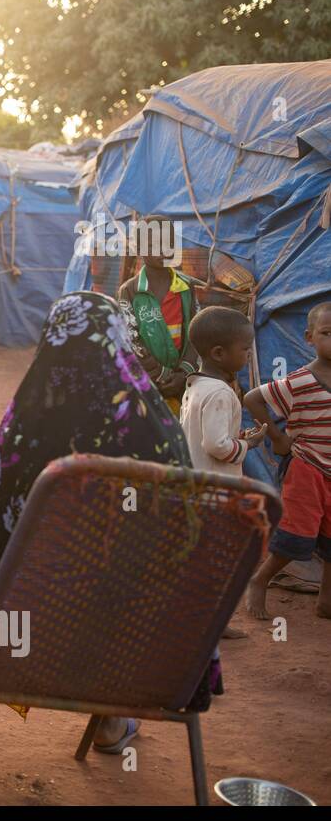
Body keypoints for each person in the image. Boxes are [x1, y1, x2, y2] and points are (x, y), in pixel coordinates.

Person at [0, 292, 201, 751]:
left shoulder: (30, 431)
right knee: (115, 577)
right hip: (135, 647)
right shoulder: (164, 434)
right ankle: (107, 722)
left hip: (20, 635)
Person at [180, 305, 268, 638]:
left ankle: (203, 620)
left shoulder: (195, 387)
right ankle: (212, 624)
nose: (248, 355)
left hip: (195, 484)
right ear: (219, 353)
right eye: (245, 349)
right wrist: (249, 446)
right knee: (216, 560)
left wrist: (237, 439)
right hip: (215, 491)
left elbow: (204, 437)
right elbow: (217, 446)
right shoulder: (220, 393)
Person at [242, 301, 331, 621]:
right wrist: (278, 439)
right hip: (306, 467)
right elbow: (252, 398)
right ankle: (260, 579)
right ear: (309, 338)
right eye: (326, 333)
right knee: (297, 534)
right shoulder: (300, 380)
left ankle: (325, 601)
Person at [116, 222, 202, 413]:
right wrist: (161, 374)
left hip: (184, 383)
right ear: (139, 248)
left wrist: (183, 374)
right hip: (148, 384)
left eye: (170, 242)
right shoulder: (130, 292)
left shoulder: (187, 287)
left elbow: (197, 333)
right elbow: (131, 340)